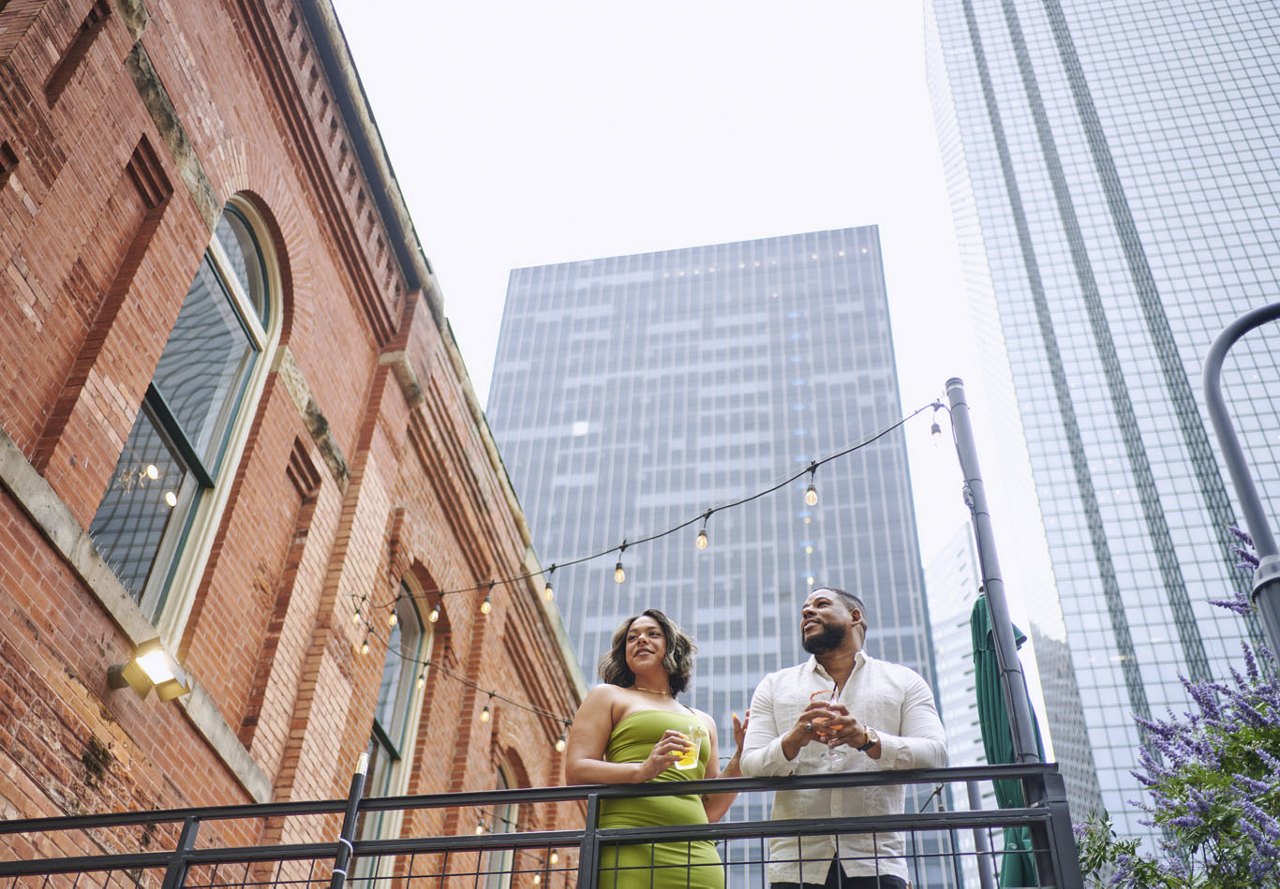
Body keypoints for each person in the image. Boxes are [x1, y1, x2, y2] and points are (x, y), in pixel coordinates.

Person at [740, 587, 947, 889]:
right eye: (804, 610)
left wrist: (867, 739)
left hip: (877, 860)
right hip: (795, 866)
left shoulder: (904, 681)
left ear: (855, 616)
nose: (806, 612)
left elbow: (935, 753)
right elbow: (750, 765)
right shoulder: (774, 686)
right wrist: (794, 739)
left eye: (821, 604)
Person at [565, 609, 747, 889]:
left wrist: (740, 756)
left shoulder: (703, 721)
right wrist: (641, 770)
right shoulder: (608, 696)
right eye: (632, 638)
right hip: (628, 845)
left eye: (653, 634)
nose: (640, 640)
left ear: (670, 647)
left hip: (696, 855)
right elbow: (576, 770)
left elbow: (710, 808)